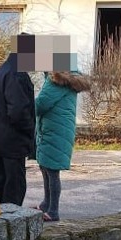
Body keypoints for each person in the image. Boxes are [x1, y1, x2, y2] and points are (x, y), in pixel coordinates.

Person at [0, 46, 36, 206]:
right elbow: (18, 111)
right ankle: (10, 225)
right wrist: (29, 130)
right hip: (12, 141)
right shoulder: (16, 74)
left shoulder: (3, 70)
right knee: (13, 188)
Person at [34, 71, 91, 222]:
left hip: (55, 131)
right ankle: (46, 203)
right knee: (46, 167)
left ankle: (53, 211)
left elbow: (40, 105)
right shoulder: (62, 79)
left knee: (51, 170)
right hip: (54, 129)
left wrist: (25, 103)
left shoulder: (56, 81)